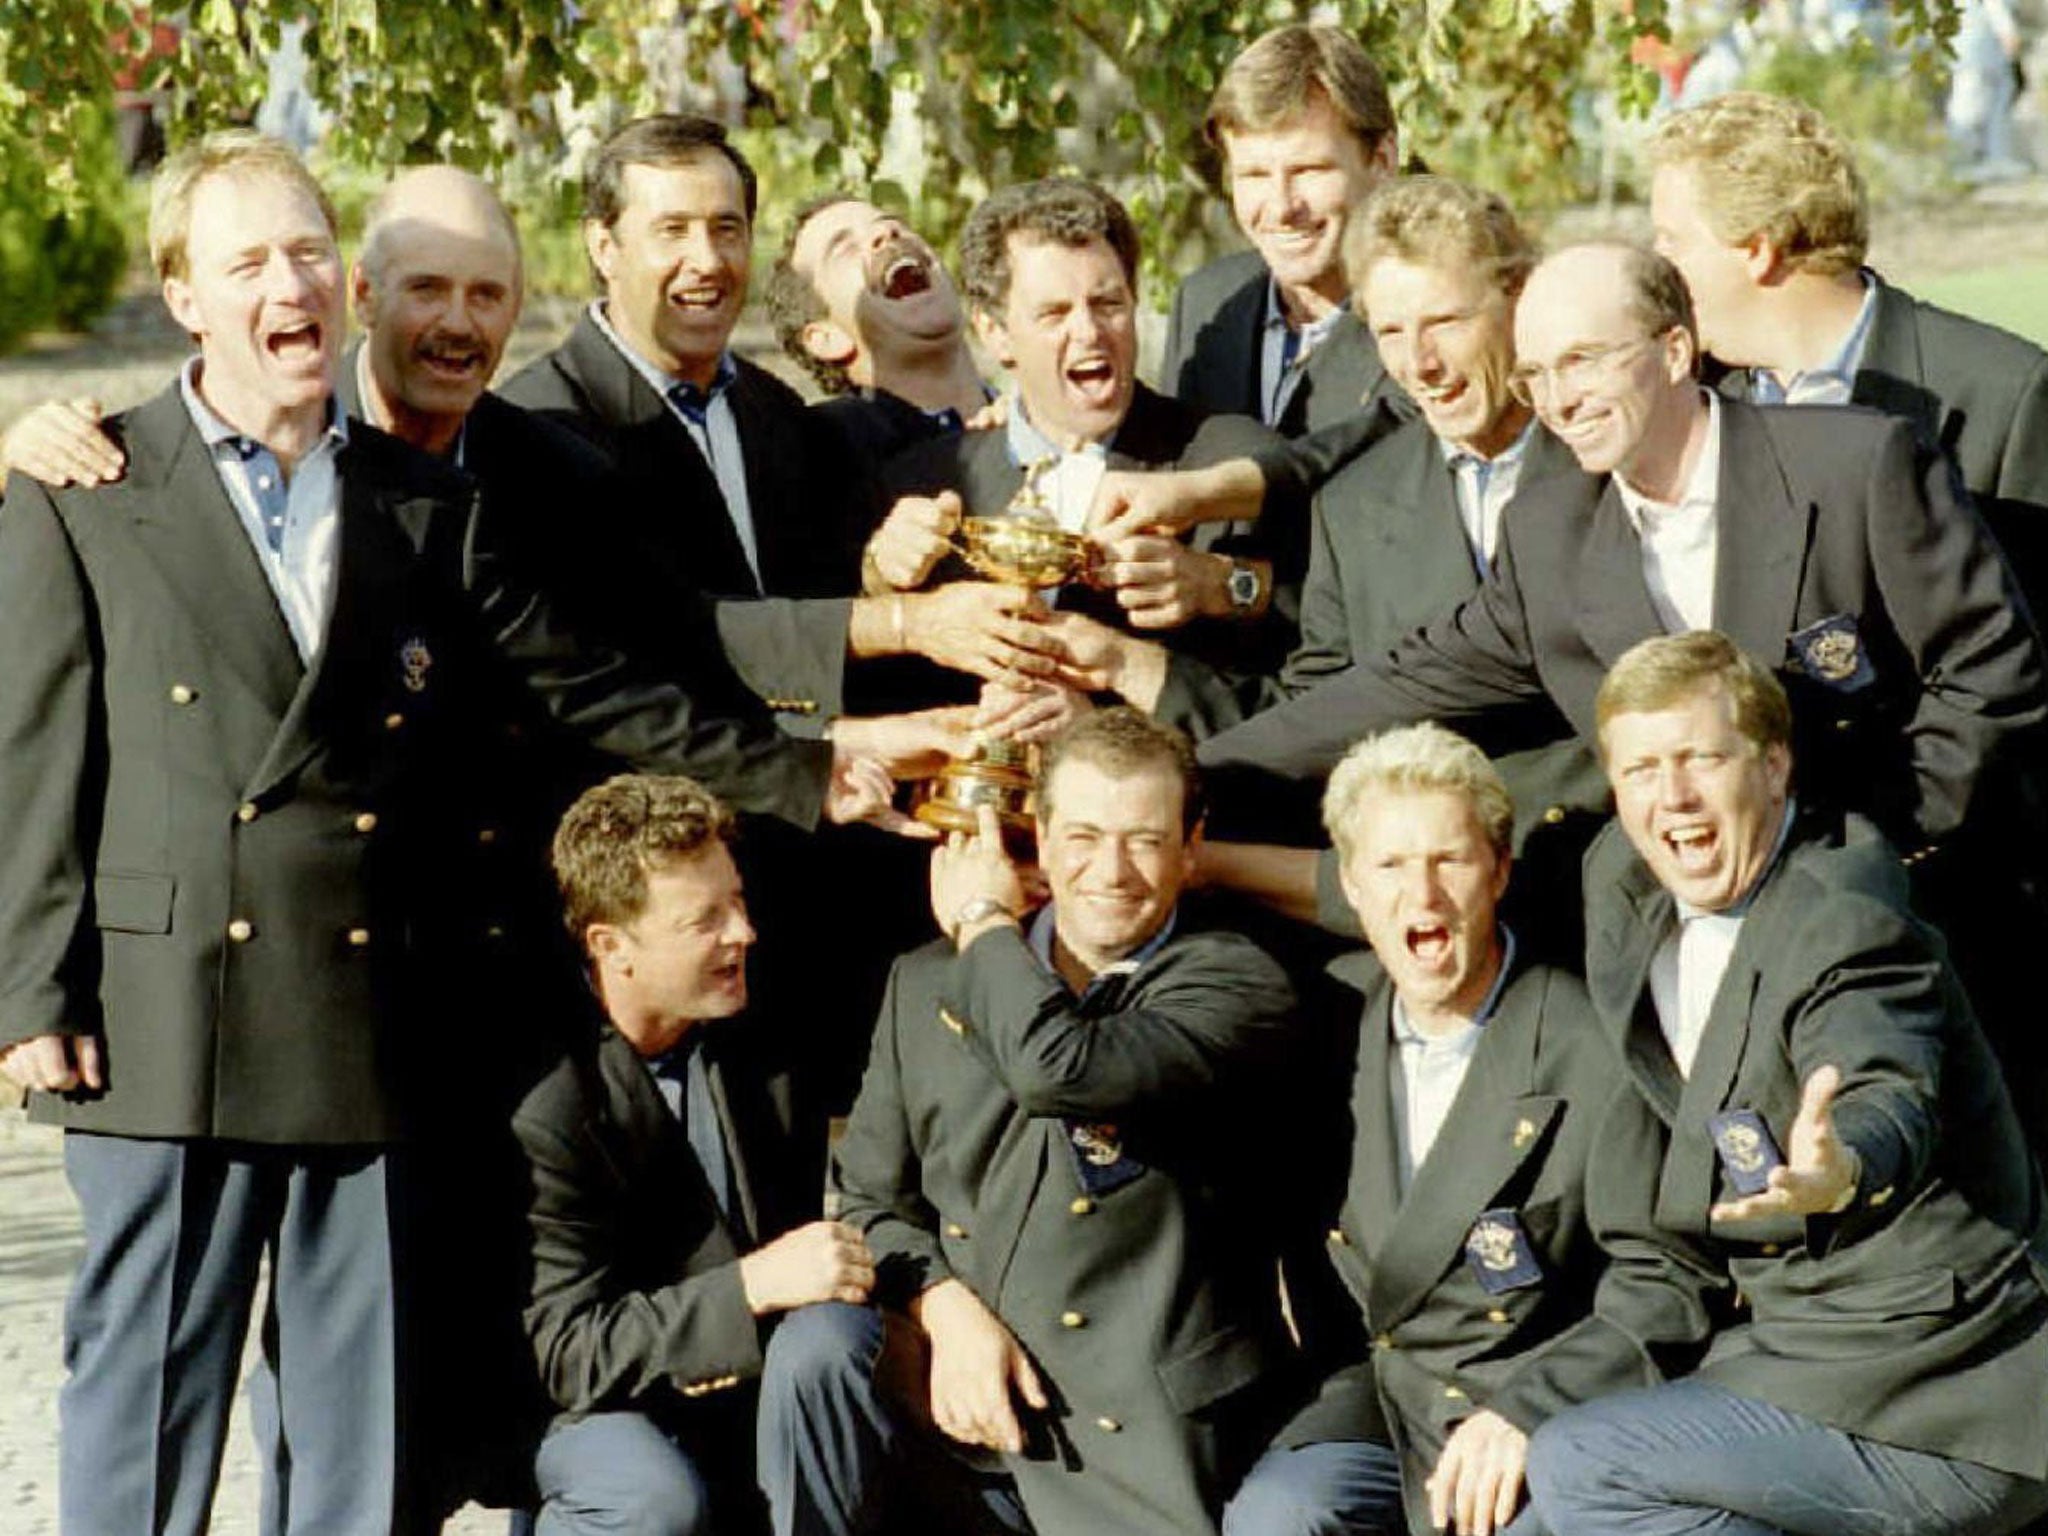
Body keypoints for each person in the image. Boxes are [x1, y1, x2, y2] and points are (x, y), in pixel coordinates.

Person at [0, 129, 910, 1536]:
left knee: (352, 1449)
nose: (285, 283)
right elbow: (35, 753)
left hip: (364, 1019)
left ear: (342, 285)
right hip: (162, 1018)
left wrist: (814, 775)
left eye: (306, 250)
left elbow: (598, 688)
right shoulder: (95, 483)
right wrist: (28, 990)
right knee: (144, 1419)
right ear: (183, 293)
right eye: (246, 261)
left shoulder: (424, 504)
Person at [1198, 241, 2045, 898]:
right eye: (1535, 375)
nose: (1558, 401)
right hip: (1682, 934)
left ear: (1675, 351)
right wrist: (1186, 780)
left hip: (1911, 908)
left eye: (1583, 361)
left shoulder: (1856, 467)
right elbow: (1399, 682)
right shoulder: (1551, 535)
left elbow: (1992, 671)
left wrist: (1882, 844)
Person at [1524, 630, 2048, 1536]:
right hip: (1786, 1355)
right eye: (1642, 768)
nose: (1673, 795)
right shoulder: (1622, 882)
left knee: (1587, 1465)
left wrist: (1843, 1164)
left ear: (1773, 767)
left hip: (1944, 1397)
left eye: (1702, 759)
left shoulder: (1843, 912)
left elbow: (1884, 1071)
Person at [759, 708, 1302, 1536]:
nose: (1111, 870)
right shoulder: (924, 981)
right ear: (1040, 835)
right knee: (821, 1350)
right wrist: (944, 1304)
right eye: (1083, 835)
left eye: (1145, 840)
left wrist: (983, 920)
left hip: (1129, 1433)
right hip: (957, 1406)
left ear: (1192, 848)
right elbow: (871, 1203)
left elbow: (1060, 1069)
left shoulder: (1233, 983)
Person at [1223, 723, 1711, 1536]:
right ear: (1351, 885)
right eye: (1390, 866)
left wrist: (1531, 1409)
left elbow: (1666, 1276)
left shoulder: (1591, 1047)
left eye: (1449, 860)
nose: (1424, 896)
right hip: (1387, 1393)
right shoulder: (1325, 1022)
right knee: (1276, 1518)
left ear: (1499, 870)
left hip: (1544, 1400)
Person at [515, 774, 877, 1536]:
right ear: (613, 948)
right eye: (704, 920)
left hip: (743, 1387)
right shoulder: (550, 1102)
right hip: (588, 1409)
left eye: (738, 902)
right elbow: (567, 1352)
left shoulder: (760, 1033)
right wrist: (750, 1285)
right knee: (652, 1502)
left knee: (835, 1342)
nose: (743, 933)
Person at [876, 177, 1303, 738]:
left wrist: (1107, 725)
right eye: (1053, 313)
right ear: (996, 334)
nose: (1089, 331)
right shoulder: (922, 482)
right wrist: (877, 578)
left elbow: (1297, 702)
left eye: (1107, 304)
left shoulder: (1234, 466)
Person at [1645, 91, 2048, 626]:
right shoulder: (1692, 398)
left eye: (1673, 242)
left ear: (1757, 250)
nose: (1657, 268)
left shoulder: (2004, 394)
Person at [1161, 22, 1413, 491]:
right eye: (1254, 175)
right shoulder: (1205, 304)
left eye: (1308, 170)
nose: (1281, 207)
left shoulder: (1429, 312)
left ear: (1382, 161)